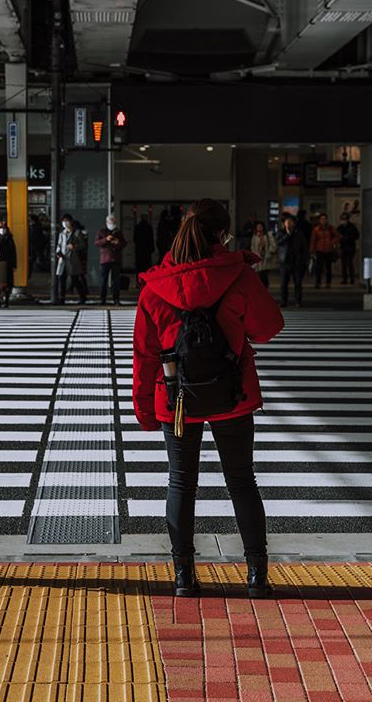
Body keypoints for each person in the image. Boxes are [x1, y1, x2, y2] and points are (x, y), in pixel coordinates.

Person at [133, 198, 284, 598]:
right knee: (241, 480)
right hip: (231, 395)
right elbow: (270, 327)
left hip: (177, 400)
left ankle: (184, 576)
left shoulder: (154, 287)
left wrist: (145, 409)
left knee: (181, 483)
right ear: (221, 235)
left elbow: (145, 353)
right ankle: (257, 575)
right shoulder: (238, 276)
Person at [276, 215, 309, 307]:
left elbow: (304, 247)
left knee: (297, 282)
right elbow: (278, 242)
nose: (289, 223)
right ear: (284, 223)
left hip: (296, 261)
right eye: (287, 222)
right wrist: (288, 235)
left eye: (291, 222)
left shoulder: (299, 233)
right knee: (283, 283)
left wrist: (304, 259)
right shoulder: (281, 232)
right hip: (285, 261)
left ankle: (298, 301)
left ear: (294, 223)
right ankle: (283, 301)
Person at [95, 214, 127, 305]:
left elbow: (124, 243)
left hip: (116, 259)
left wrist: (118, 242)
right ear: (106, 223)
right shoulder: (102, 231)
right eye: (110, 222)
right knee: (103, 281)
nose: (112, 223)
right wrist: (106, 239)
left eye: (113, 222)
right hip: (105, 259)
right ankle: (102, 299)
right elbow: (97, 243)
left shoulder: (118, 232)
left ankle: (116, 299)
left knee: (116, 281)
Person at [56, 214, 87, 304]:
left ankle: (82, 297)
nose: (65, 223)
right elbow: (59, 245)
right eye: (63, 221)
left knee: (75, 279)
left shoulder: (77, 233)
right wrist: (58, 252)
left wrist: (74, 246)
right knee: (61, 278)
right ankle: (61, 298)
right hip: (63, 259)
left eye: (67, 221)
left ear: (71, 222)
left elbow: (83, 245)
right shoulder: (62, 233)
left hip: (73, 259)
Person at [309, 213, 339, 289]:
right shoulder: (316, 229)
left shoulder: (330, 228)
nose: (323, 220)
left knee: (328, 268)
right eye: (322, 219)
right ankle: (318, 282)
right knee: (319, 268)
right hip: (320, 250)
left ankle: (328, 283)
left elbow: (337, 236)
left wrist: (332, 242)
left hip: (329, 250)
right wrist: (312, 250)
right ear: (319, 220)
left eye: (325, 219)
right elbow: (313, 240)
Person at [250, 221, 277, 287]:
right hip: (257, 261)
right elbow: (252, 246)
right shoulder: (254, 236)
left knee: (263, 276)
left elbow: (273, 245)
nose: (259, 228)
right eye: (258, 226)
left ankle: (264, 289)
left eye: (260, 226)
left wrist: (269, 252)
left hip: (266, 260)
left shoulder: (267, 235)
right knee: (259, 276)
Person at [337, 212, 359, 285]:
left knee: (350, 264)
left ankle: (352, 278)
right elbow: (336, 236)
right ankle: (344, 279)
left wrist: (347, 238)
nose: (343, 220)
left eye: (344, 219)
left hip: (350, 247)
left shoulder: (352, 227)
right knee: (343, 264)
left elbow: (356, 236)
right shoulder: (339, 227)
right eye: (342, 219)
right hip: (343, 247)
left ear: (347, 219)